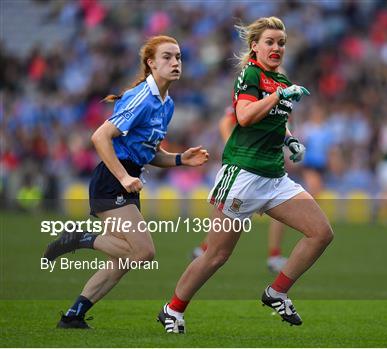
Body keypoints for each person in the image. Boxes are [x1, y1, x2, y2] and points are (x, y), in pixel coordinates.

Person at [157, 16, 334, 334]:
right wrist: (279, 97)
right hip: (242, 176)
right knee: (216, 255)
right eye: (270, 42)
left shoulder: (280, 79)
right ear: (255, 46)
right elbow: (244, 116)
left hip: (274, 178)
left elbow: (276, 120)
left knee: (321, 233)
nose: (277, 47)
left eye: (281, 42)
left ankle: (276, 292)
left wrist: (290, 138)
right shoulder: (250, 74)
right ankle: (172, 309)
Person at [42, 35, 209, 329]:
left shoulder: (166, 103)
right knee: (143, 252)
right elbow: (100, 137)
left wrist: (182, 159)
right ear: (151, 63)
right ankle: (81, 238)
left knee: (122, 261)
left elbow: (150, 154)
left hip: (128, 179)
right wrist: (123, 176)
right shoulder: (143, 97)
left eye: (179, 57)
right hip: (112, 179)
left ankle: (73, 316)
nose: (175, 63)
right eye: (167, 57)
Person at [191, 105, 289, 273]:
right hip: (248, 171)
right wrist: (234, 147)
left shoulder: (281, 108)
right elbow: (226, 121)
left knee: (240, 216)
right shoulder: (256, 96)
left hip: (266, 171)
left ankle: (274, 256)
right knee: (233, 215)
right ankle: (205, 249)